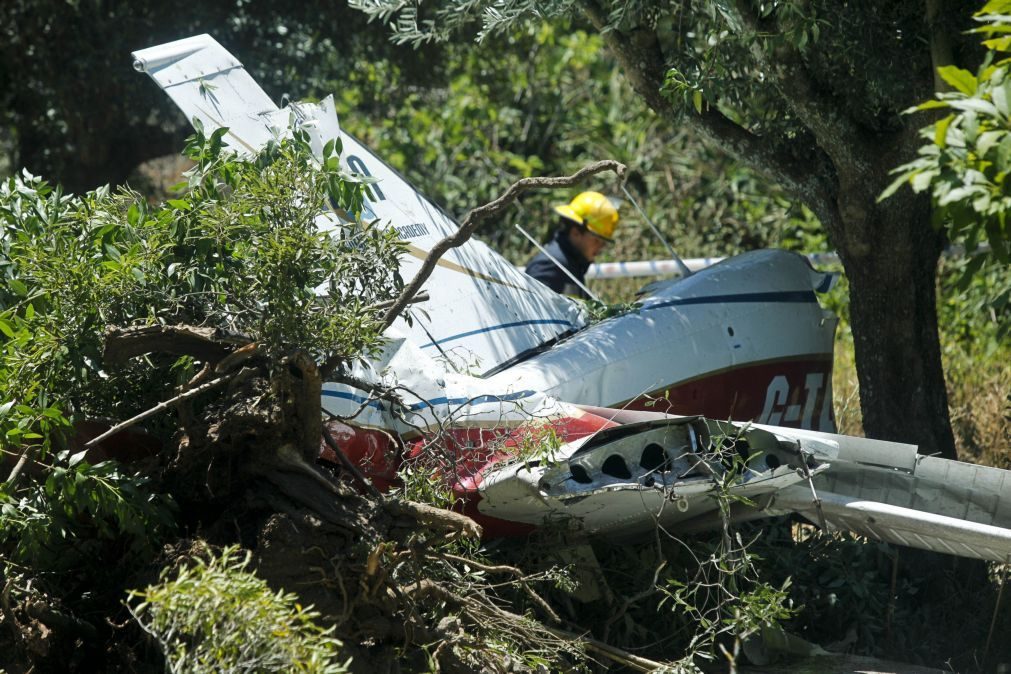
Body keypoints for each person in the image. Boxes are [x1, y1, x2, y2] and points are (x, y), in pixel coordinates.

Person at [524, 191, 619, 298]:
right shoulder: (550, 266)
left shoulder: (573, 264)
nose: (601, 247)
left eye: (604, 243)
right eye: (596, 240)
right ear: (576, 233)